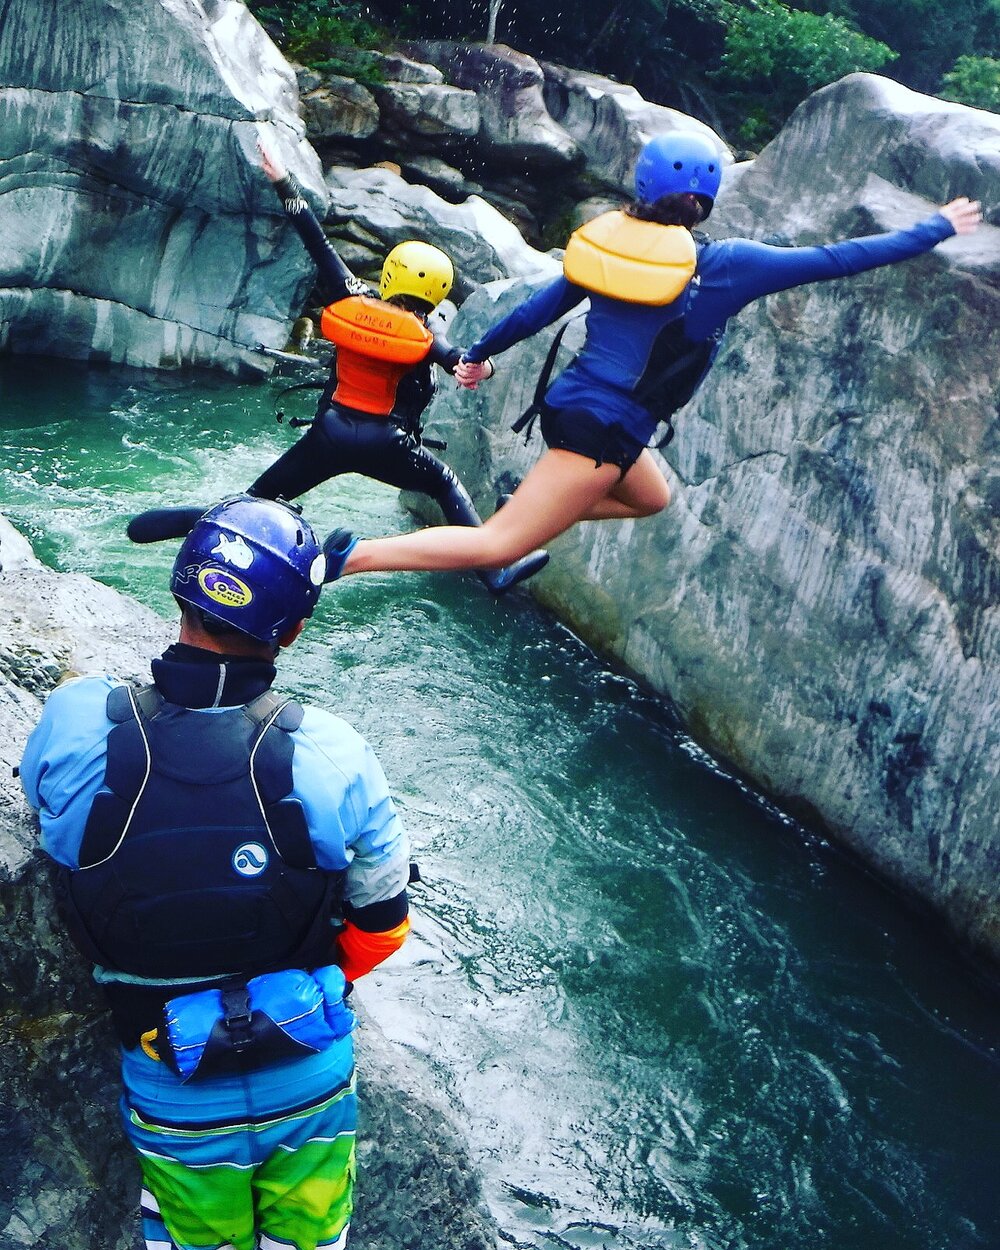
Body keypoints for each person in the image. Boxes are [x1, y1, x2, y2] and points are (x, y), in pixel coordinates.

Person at [318, 131, 983, 583]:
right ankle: (350, 558)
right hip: (600, 431)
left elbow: (539, 309)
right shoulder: (726, 266)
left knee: (651, 496)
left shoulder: (611, 246)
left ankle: (537, 501)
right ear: (707, 197)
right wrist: (937, 227)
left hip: (579, 412)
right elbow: (840, 259)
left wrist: (480, 354)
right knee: (498, 544)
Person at [20, 495, 414, 1250]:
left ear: (177, 589)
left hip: (169, 1068)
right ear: (293, 631)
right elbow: (383, 922)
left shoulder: (76, 722)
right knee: (310, 1238)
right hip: (307, 1060)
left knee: (195, 1235)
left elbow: (48, 813)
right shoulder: (334, 752)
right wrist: (318, 982)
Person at [247, 140, 548, 595]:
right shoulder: (426, 335)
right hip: (387, 447)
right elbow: (462, 363)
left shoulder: (350, 297)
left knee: (256, 501)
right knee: (444, 484)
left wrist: (282, 179)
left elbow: (315, 237)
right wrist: (483, 372)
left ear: (389, 275)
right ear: (438, 294)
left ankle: (223, 533)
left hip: (328, 437)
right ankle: (493, 572)